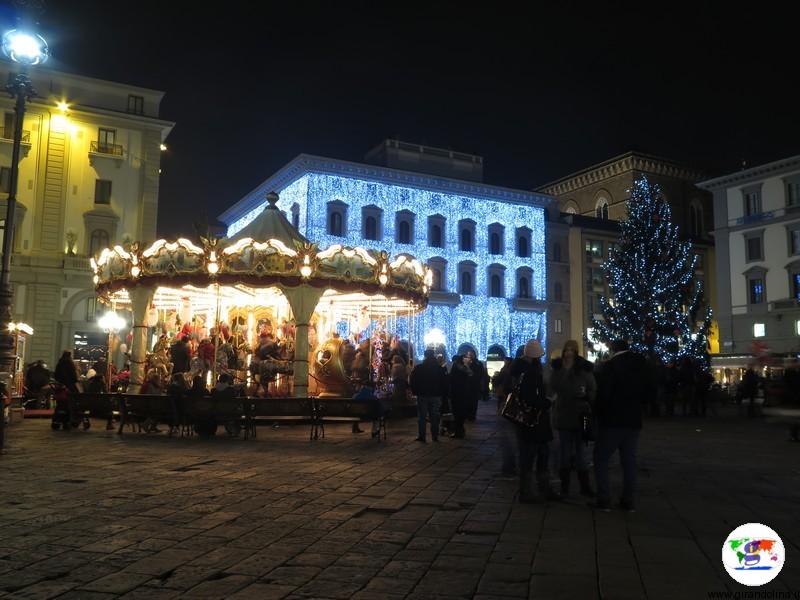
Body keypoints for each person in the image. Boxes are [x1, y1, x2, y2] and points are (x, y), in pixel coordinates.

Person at [592, 339, 655, 512]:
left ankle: (604, 498)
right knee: (629, 461)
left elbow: (604, 394)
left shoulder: (611, 367)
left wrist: (598, 411)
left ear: (612, 349)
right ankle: (628, 501)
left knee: (601, 458)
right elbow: (649, 390)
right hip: (633, 419)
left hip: (612, 419)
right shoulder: (640, 365)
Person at [509, 340, 557, 503]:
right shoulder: (530, 372)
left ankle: (534, 489)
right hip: (533, 419)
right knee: (535, 455)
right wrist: (548, 402)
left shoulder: (518, 369)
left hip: (526, 419)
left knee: (532, 455)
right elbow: (530, 398)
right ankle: (530, 491)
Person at [550, 340, 596, 497]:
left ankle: (585, 486)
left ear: (576, 352)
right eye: (566, 350)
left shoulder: (584, 369)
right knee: (564, 453)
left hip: (580, 414)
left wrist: (586, 396)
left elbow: (592, 388)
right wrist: (564, 370)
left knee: (581, 452)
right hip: (563, 414)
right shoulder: (557, 368)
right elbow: (553, 386)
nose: (568, 353)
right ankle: (565, 487)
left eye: (571, 350)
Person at [410, 348, 448, 443]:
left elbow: (413, 380)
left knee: (422, 416)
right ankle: (434, 436)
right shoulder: (439, 369)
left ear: (425, 356)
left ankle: (422, 436)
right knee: (434, 416)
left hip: (422, 394)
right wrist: (443, 393)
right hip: (436, 395)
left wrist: (415, 391)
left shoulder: (419, 368)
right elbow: (444, 382)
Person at [493, 358, 517, 475]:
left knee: (508, 438)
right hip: (510, 407)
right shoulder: (509, 373)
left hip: (507, 407)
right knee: (510, 438)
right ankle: (510, 465)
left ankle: (508, 465)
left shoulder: (506, 373)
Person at [448, 355, 473, 439]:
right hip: (464, 393)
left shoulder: (455, 367)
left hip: (456, 393)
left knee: (457, 412)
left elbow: (450, 379)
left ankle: (458, 431)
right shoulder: (465, 368)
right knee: (461, 412)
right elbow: (470, 374)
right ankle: (460, 430)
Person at [465, 350, 486, 421]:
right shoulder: (465, 363)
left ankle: (472, 416)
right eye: (468, 354)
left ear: (474, 355)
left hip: (474, 386)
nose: (469, 356)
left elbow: (481, 374)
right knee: (467, 401)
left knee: (473, 402)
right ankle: (468, 415)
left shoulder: (478, 363)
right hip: (467, 386)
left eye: (471, 354)